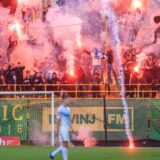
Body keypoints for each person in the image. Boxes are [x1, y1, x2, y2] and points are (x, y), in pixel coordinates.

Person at [49, 94, 74, 160]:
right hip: (62, 128)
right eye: (68, 99)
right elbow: (57, 120)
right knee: (65, 144)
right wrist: (57, 130)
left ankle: (52, 154)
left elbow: (68, 120)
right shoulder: (60, 109)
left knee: (65, 145)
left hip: (66, 129)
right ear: (64, 100)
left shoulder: (68, 109)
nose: (69, 101)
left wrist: (72, 128)